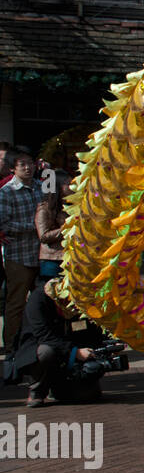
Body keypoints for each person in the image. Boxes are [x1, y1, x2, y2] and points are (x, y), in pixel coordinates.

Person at [4, 279, 123, 406]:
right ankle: (37, 390)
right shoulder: (38, 299)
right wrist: (75, 352)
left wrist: (106, 345)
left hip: (71, 346)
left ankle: (60, 387)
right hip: (42, 346)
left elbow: (93, 329)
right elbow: (44, 336)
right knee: (45, 352)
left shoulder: (82, 299)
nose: (73, 306)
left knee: (88, 395)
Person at [0, 148, 42, 353]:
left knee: (42, 301)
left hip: (40, 255)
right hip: (18, 256)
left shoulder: (40, 187)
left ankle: (39, 342)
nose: (28, 167)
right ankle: (11, 348)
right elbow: (4, 225)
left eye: (30, 163)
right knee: (15, 304)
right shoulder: (6, 192)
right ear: (12, 169)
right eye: (22, 165)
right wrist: (35, 226)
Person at [35, 171, 72, 282]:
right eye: (69, 184)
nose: (73, 187)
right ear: (58, 186)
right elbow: (43, 236)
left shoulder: (69, 206)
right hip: (51, 260)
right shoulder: (45, 209)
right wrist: (67, 229)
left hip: (67, 257)